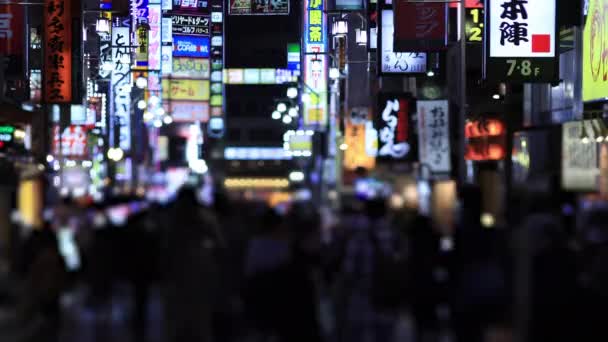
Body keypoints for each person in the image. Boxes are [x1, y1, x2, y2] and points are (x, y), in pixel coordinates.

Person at [162, 187, 224, 342]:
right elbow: (220, 245)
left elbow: (165, 248)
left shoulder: (171, 219)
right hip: (200, 272)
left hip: (181, 275)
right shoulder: (206, 218)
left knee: (179, 321)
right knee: (200, 320)